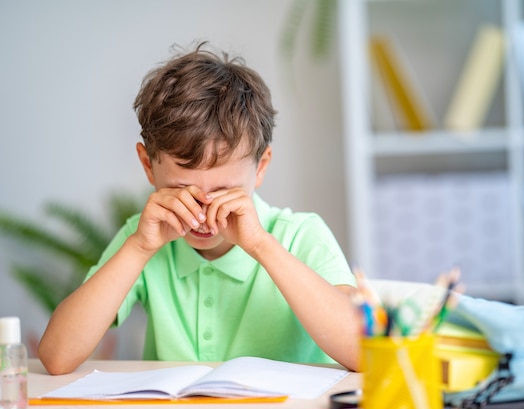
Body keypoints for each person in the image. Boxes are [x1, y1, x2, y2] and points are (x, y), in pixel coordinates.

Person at [38, 42, 361, 375]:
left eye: (224, 192)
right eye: (181, 191)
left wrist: (261, 245)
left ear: (261, 167)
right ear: (148, 167)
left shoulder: (301, 235)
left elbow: (363, 352)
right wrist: (138, 248)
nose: (204, 212)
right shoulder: (143, 236)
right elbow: (57, 357)